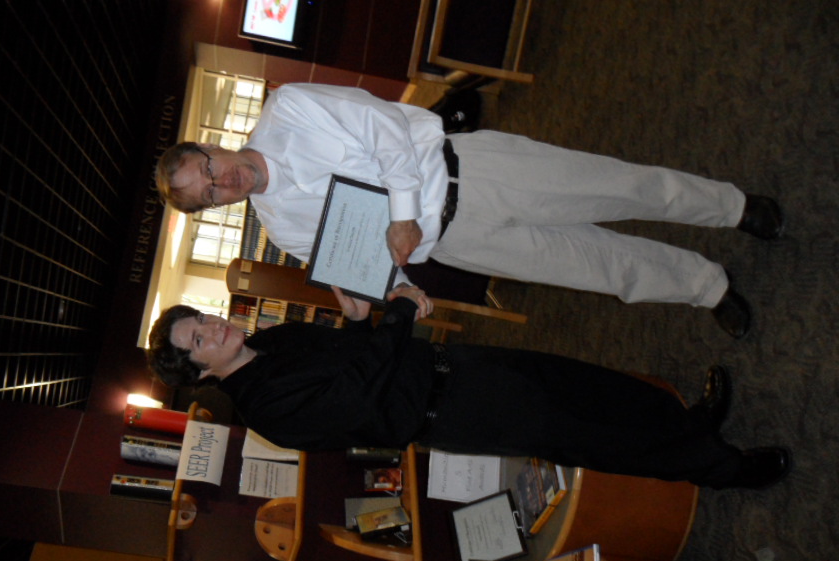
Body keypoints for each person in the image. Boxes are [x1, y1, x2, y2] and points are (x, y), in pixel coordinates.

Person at [156, 83, 786, 339]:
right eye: (208, 195)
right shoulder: (280, 224)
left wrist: (402, 212)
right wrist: (385, 290)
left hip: (474, 172)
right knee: (597, 267)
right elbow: (364, 257)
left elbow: (382, 127)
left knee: (624, 189)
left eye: (207, 170)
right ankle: (707, 287)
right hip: (460, 244)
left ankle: (733, 208)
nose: (222, 182)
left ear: (210, 146)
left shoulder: (289, 110)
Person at [146, 286, 791, 489]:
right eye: (199, 338)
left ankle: (690, 421)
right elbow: (360, 394)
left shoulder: (273, 339)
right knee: (592, 435)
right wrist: (395, 316)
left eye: (202, 318)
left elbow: (352, 355)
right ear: (199, 374)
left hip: (457, 366)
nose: (214, 326)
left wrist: (361, 318)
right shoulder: (266, 409)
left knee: (587, 385)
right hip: (456, 411)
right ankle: (722, 469)